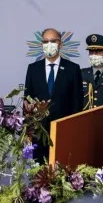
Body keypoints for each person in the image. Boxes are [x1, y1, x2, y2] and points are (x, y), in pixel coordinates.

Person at [23, 28, 83, 162]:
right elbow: (27, 101)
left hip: (64, 133)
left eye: (53, 41)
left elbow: (77, 103)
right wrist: (28, 132)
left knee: (62, 174)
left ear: (60, 44)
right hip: (38, 134)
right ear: (41, 45)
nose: (49, 44)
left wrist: (73, 131)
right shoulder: (33, 69)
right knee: (39, 176)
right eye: (45, 41)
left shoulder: (73, 69)